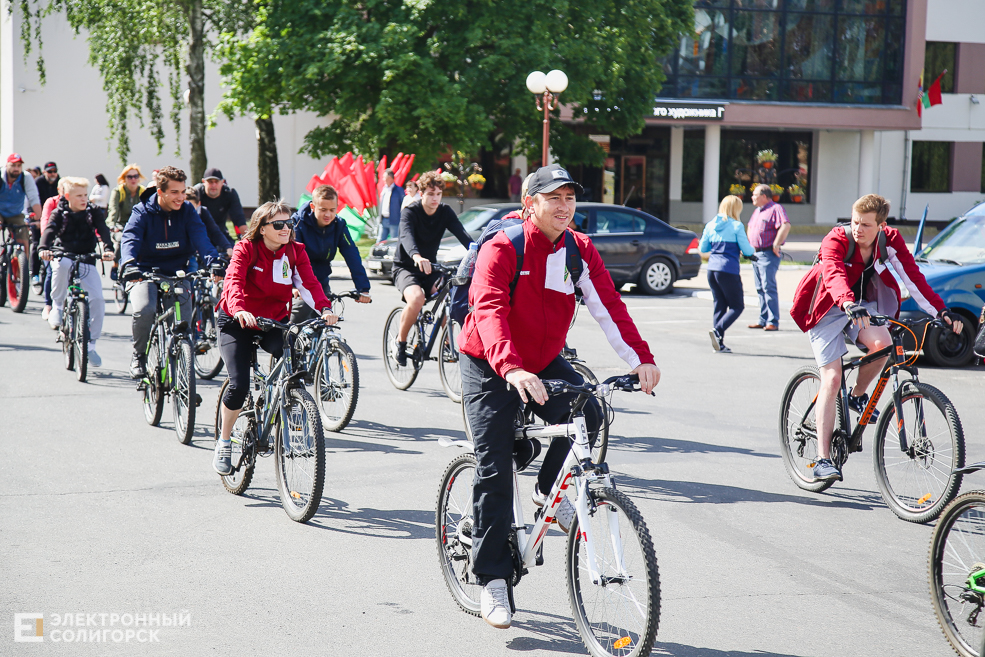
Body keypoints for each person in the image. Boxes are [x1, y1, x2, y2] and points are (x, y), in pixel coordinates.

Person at [459, 164, 660, 629]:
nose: (564, 206)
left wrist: (640, 359)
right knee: (495, 468)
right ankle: (492, 578)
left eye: (569, 197)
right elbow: (489, 308)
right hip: (489, 360)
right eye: (553, 197)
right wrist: (511, 367)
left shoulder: (578, 249)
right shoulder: (503, 246)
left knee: (588, 412)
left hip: (543, 358)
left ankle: (548, 488)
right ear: (529, 204)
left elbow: (609, 306)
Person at [790, 194, 963, 482]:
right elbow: (833, 273)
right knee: (832, 378)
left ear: (881, 226)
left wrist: (941, 311)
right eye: (855, 222)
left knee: (884, 345)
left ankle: (857, 396)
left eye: (866, 225)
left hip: (860, 305)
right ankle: (822, 459)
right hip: (826, 307)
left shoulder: (889, 240)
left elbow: (913, 277)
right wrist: (847, 302)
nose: (858, 229)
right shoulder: (836, 239)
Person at [212, 201, 337, 475]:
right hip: (237, 320)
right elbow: (233, 281)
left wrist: (325, 308)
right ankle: (224, 441)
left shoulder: (295, 251)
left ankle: (291, 408)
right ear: (262, 228)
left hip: (272, 321)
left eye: (289, 223)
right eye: (278, 224)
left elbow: (309, 283)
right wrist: (239, 308)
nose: (285, 228)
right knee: (239, 385)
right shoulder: (246, 248)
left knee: (294, 359)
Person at [120, 166, 219, 379]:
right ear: (160, 192)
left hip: (178, 272)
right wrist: (129, 263)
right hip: (144, 271)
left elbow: (200, 236)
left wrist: (213, 261)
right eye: (174, 192)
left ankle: (182, 376)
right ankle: (139, 356)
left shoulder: (187, 210)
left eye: (183, 191)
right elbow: (130, 238)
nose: (180, 197)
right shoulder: (142, 211)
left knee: (183, 326)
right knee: (145, 309)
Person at [391, 170, 471, 366]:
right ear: (421, 193)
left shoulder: (445, 212)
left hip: (430, 268)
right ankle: (400, 342)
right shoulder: (410, 212)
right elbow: (406, 237)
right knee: (417, 298)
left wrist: (478, 252)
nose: (435, 198)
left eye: (438, 194)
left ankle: (447, 343)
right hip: (406, 268)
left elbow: (462, 234)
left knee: (449, 294)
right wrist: (417, 256)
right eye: (430, 194)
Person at [39, 178, 114, 366]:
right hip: (64, 254)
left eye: (85, 195)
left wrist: (108, 249)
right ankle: (57, 306)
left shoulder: (93, 212)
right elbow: (49, 231)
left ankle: (91, 345)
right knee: (61, 265)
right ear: (67, 196)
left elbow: (103, 230)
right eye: (79, 196)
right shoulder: (60, 212)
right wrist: (44, 248)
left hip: (87, 258)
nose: (83, 199)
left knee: (97, 299)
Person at [290, 184, 371, 322]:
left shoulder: (339, 225)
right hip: (300, 281)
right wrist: (293, 285)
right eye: (323, 210)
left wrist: (362, 287)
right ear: (313, 207)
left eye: (332, 210)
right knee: (299, 313)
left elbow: (351, 254)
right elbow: (292, 256)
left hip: (321, 280)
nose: (328, 214)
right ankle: (287, 335)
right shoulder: (298, 223)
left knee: (325, 320)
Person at [700, 195, 757, 353]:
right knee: (737, 306)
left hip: (712, 269)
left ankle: (719, 344)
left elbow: (703, 248)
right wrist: (751, 253)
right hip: (728, 270)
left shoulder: (710, 225)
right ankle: (718, 330)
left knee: (719, 305)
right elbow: (747, 250)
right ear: (735, 209)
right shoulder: (736, 226)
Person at [746, 183, 790, 331]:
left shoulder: (775, 209)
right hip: (756, 253)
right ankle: (763, 319)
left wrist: (776, 244)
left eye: (755, 195)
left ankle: (773, 321)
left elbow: (785, 225)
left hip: (768, 254)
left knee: (768, 287)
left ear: (764, 196)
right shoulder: (757, 211)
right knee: (760, 288)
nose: (752, 197)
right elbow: (750, 227)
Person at [107, 164, 146, 281]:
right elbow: (113, 210)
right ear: (124, 178)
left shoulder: (143, 191)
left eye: (136, 176)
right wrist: (112, 225)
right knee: (121, 240)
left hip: (138, 225)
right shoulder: (119, 191)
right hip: (121, 225)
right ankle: (115, 266)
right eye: (130, 177)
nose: (133, 179)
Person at [0, 154, 42, 262]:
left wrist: (39, 218)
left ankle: (23, 269)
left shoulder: (26, 177)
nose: (16, 168)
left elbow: (33, 197)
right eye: (13, 165)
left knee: (24, 239)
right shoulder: (0, 175)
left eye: (19, 166)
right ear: (6, 165)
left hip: (16, 213)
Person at [194, 167, 246, 239]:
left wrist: (246, 239)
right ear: (203, 182)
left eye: (216, 182)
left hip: (220, 232)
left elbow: (239, 218)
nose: (213, 185)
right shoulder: (195, 193)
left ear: (222, 182)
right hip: (199, 232)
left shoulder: (229, 193)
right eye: (210, 182)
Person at [31, 162, 60, 284]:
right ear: (44, 172)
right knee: (37, 244)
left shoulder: (60, 182)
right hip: (39, 217)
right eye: (50, 171)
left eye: (54, 171)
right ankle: (35, 273)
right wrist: (35, 217)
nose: (53, 174)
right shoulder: (38, 182)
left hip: (54, 219)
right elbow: (32, 199)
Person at [184, 187, 234, 258]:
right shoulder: (178, 214)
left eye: (191, 207)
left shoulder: (203, 212)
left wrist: (228, 247)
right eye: (184, 206)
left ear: (198, 204)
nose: (187, 210)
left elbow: (215, 232)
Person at [376, 168, 405, 242]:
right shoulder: (384, 189)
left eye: (384, 177)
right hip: (384, 219)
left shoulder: (399, 190)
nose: (383, 179)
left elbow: (403, 205)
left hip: (394, 220)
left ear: (389, 178)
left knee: (394, 241)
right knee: (380, 241)